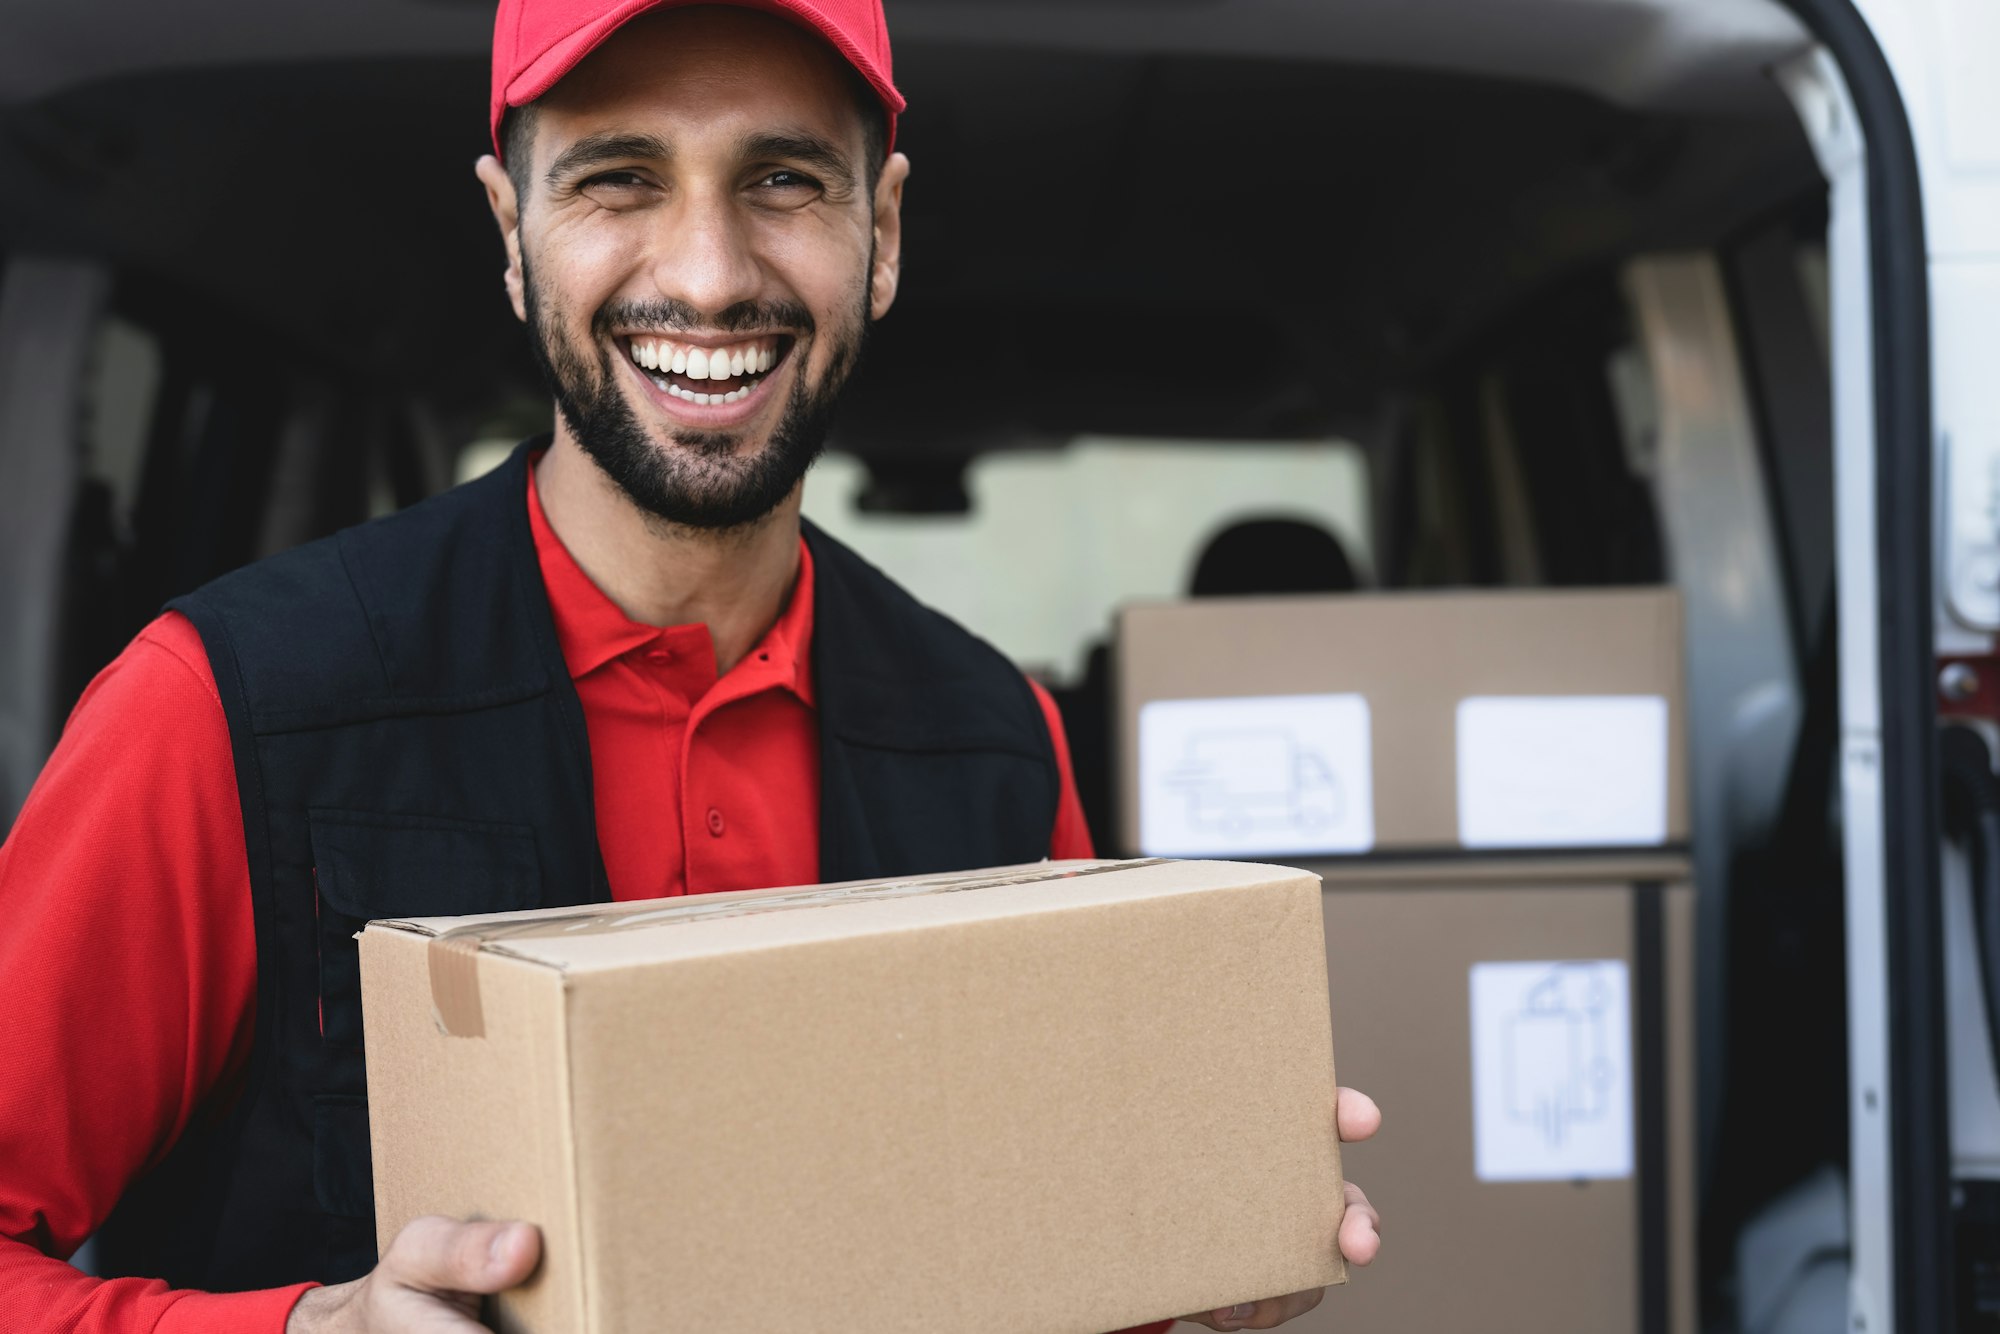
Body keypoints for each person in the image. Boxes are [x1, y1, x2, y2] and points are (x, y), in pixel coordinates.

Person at [0, 2, 1382, 1330]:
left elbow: (1038, 1254)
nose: (710, 273)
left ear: (882, 232)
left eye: (783, 180)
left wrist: (1199, 1235)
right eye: (617, 179)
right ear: (511, 232)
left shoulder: (994, 740)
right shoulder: (225, 708)